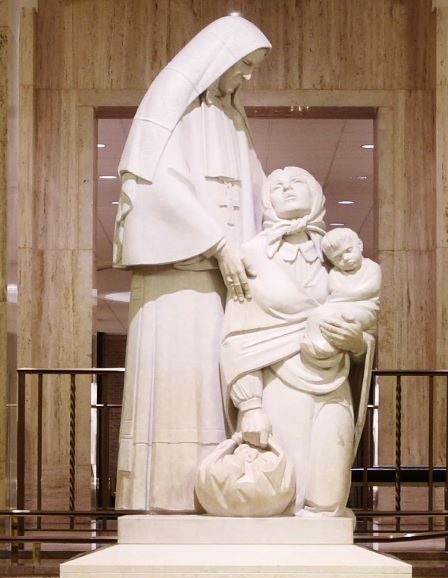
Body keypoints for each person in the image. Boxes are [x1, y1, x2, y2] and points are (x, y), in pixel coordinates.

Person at [113, 16, 271, 511]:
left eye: (252, 68)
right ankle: (170, 500)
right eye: (242, 65)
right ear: (217, 60)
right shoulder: (171, 112)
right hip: (176, 282)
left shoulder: (232, 118)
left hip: (224, 287)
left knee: (220, 385)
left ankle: (222, 496)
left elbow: (257, 193)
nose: (246, 76)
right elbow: (154, 185)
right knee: (179, 387)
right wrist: (216, 243)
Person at [221, 167, 378, 516]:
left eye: (297, 183)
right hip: (280, 384)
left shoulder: (337, 253)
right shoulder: (252, 256)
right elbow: (238, 337)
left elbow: (362, 313)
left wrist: (357, 343)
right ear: (267, 201)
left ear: (316, 195)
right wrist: (249, 406)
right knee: (287, 497)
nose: (287, 189)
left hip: (334, 383)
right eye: (277, 186)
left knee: (327, 499)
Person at [301, 227, 381, 365]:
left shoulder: (372, 267)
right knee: (317, 314)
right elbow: (335, 291)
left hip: (365, 308)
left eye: (348, 251)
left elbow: (369, 289)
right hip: (339, 306)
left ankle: (327, 350)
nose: (345, 258)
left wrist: (342, 298)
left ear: (360, 245)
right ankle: (316, 345)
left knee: (340, 320)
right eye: (338, 257)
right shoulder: (335, 273)